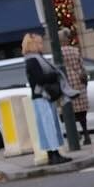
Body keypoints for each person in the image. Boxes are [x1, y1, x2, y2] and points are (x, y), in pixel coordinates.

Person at [21, 32, 65, 165]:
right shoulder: (33, 60)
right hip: (42, 96)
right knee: (48, 125)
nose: (42, 45)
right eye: (39, 42)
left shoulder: (35, 58)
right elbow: (39, 79)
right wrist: (54, 75)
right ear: (33, 44)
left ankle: (54, 154)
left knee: (48, 125)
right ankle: (54, 154)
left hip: (43, 96)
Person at [58, 26, 90, 146]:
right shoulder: (75, 51)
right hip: (78, 83)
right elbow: (82, 67)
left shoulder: (58, 52)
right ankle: (86, 134)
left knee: (67, 112)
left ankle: (74, 133)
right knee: (82, 113)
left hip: (66, 84)